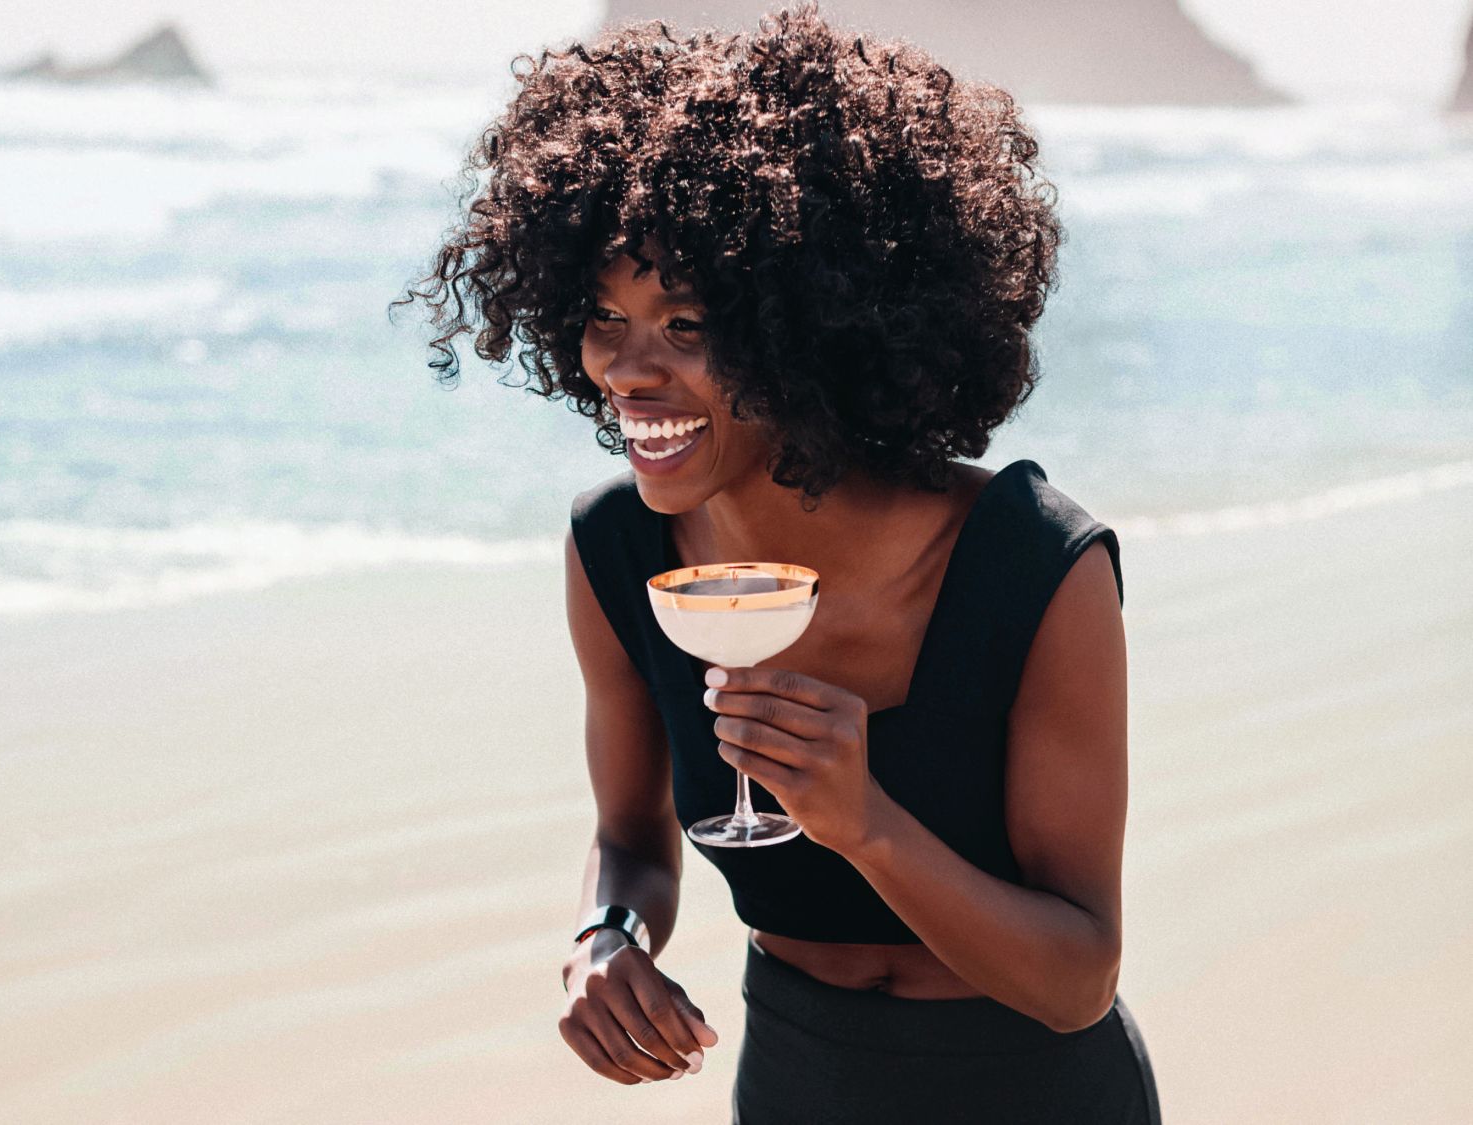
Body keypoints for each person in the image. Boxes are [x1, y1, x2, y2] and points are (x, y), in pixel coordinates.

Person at [398, 3, 1161, 1120]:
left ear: (812, 329)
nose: (629, 370)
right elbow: (629, 836)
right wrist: (605, 938)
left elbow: (1076, 979)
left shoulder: (1034, 565)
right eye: (605, 316)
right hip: (798, 1077)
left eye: (690, 322)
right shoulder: (617, 553)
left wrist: (868, 826)